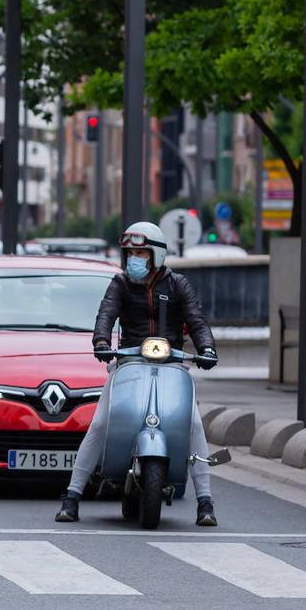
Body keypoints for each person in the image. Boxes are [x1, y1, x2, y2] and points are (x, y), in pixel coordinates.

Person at [55, 221, 220, 527]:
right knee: (101, 422)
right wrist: (101, 341)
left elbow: (196, 320)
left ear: (156, 255)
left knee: (193, 423)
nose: (135, 258)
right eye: (131, 252)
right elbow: (106, 314)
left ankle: (205, 502)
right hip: (128, 361)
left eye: (141, 253)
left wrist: (207, 347)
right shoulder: (119, 284)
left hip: (172, 363)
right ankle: (72, 496)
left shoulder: (178, 284)